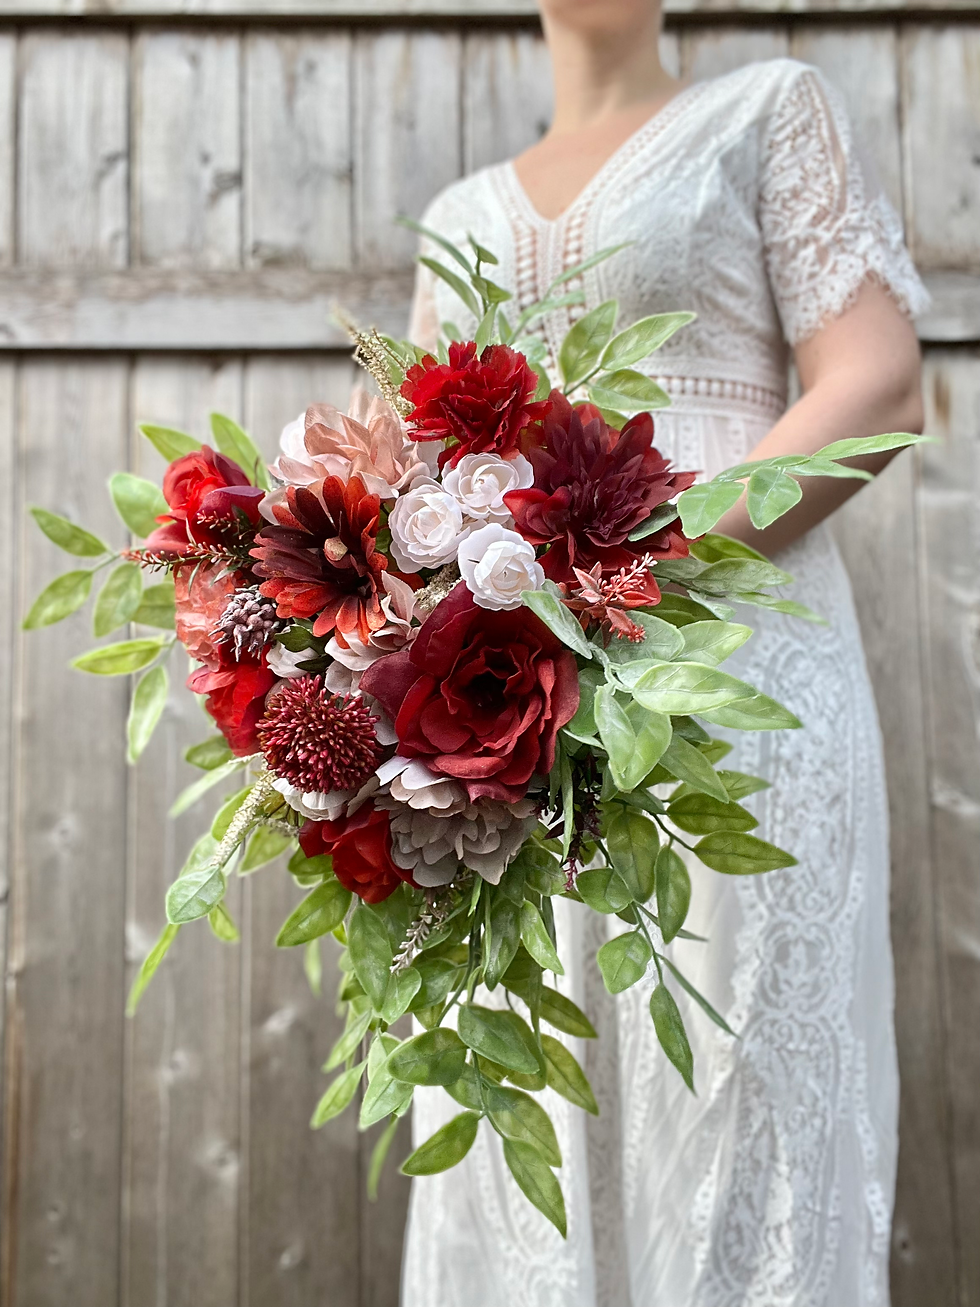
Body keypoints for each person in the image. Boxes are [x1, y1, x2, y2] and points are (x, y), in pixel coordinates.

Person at [401, 2, 927, 1303]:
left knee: (736, 1077)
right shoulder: (456, 218)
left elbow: (875, 383)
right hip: (514, 728)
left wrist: (618, 572)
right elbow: (412, 480)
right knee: (537, 1084)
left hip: (736, 695)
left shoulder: (767, 113)